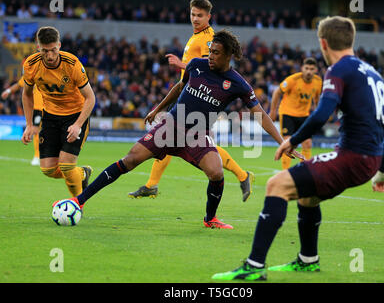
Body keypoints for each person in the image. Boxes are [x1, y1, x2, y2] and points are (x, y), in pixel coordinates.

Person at [212, 16, 384, 280]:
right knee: (307, 196)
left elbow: (322, 112)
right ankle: (307, 259)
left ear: (323, 43)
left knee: (276, 185)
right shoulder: (373, 74)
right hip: (370, 159)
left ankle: (254, 267)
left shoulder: (338, 70)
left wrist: (292, 140)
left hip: (352, 157)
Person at [60, 29, 302, 229]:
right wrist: (158, 109)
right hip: (171, 126)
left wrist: (283, 141)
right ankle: (79, 201)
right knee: (129, 160)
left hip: (197, 135)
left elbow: (260, 114)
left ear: (228, 55)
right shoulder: (196, 65)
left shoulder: (238, 83)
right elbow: (179, 87)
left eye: (216, 53)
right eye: (210, 51)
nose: (210, 56)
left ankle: (210, 219)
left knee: (216, 173)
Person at [129, 0, 255, 202]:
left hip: (197, 99)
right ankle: (152, 185)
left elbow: (209, 68)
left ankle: (242, 174)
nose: (195, 19)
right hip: (184, 93)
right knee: (167, 141)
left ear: (208, 17)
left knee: (200, 146)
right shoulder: (195, 36)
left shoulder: (208, 38)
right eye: (193, 14)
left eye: (200, 16)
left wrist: (180, 64)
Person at [21, 26, 95, 198]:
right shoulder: (31, 65)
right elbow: (26, 94)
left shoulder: (72, 64)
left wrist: (78, 125)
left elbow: (91, 98)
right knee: (48, 169)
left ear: (59, 45)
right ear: (38, 47)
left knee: (67, 166)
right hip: (51, 116)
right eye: (45, 51)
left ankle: (77, 203)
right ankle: (82, 174)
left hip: (75, 115)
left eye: (53, 50)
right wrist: (29, 124)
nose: (50, 56)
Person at [269, 57, 322, 168]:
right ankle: (285, 173)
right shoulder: (292, 80)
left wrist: (318, 112)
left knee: (307, 143)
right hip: (288, 114)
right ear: (302, 68)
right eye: (306, 68)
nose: (309, 71)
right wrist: (273, 111)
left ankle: (304, 172)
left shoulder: (318, 82)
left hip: (304, 115)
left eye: (312, 69)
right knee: (288, 144)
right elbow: (276, 92)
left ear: (316, 70)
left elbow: (317, 98)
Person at [2, 76, 43, 166]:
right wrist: (8, 91)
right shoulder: (31, 74)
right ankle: (37, 156)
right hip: (37, 109)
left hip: (50, 108)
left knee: (46, 132)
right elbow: (18, 85)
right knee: (36, 131)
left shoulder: (48, 73)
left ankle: (44, 155)